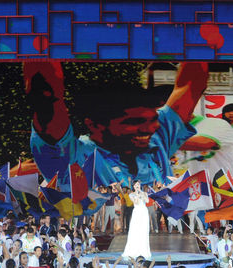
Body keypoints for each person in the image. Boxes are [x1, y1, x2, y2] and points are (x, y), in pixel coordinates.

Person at [24, 61, 208, 187]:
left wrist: (197, 35)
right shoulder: (71, 157)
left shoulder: (156, 139)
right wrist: (41, 38)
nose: (150, 128)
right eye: (133, 122)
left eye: (153, 119)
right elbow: (45, 96)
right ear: (94, 125)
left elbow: (191, 85)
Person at [122, 180, 152, 260]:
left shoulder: (144, 193)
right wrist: (138, 195)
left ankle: (143, 251)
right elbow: (136, 202)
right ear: (133, 186)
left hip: (144, 212)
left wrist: (142, 194)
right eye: (135, 185)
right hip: (137, 212)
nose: (137, 186)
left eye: (138, 184)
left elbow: (147, 201)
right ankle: (133, 250)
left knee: (143, 231)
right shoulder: (131, 194)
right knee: (135, 230)